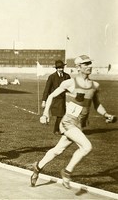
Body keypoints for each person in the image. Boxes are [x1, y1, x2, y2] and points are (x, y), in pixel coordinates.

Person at [31, 55, 116, 189]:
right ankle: (67, 171)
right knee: (87, 146)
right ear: (78, 67)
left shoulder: (95, 85)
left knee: (57, 150)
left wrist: (106, 114)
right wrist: (45, 113)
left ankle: (37, 167)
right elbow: (52, 95)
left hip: (79, 125)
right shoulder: (70, 83)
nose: (89, 66)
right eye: (86, 64)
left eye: (90, 63)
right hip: (68, 122)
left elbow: (97, 104)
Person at [42, 60, 70, 135]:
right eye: (59, 68)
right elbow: (47, 89)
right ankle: (56, 130)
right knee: (60, 115)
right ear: (56, 68)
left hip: (65, 99)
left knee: (64, 115)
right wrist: (44, 100)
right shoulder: (52, 77)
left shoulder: (67, 76)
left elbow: (70, 88)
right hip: (55, 99)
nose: (60, 69)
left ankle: (61, 129)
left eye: (62, 67)